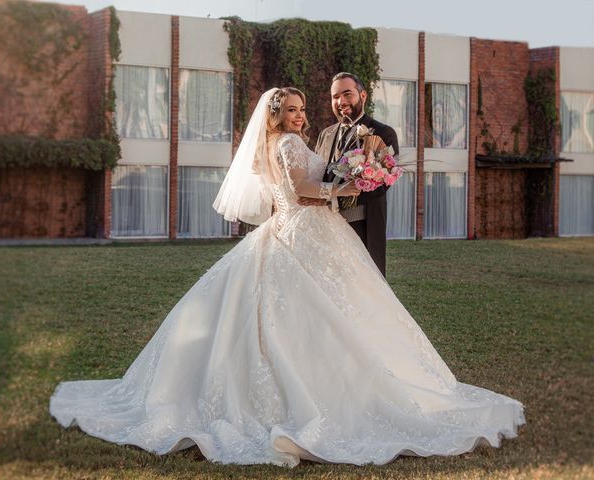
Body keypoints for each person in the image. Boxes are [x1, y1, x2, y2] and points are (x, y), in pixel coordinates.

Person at [50, 87, 524, 467]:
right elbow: (301, 189)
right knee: (320, 312)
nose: (300, 115)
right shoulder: (292, 143)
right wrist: (350, 183)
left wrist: (353, 176)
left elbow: (288, 190)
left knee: (319, 309)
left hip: (295, 228)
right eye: (292, 110)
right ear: (277, 115)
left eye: (302, 109)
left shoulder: (277, 143)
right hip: (307, 228)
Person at [313, 72, 399, 276]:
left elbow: (381, 184)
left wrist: (337, 196)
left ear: (363, 96)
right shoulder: (325, 135)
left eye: (347, 94)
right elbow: (317, 175)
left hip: (362, 230)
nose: (341, 101)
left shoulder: (382, 133)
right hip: (324, 229)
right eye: (335, 97)